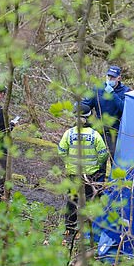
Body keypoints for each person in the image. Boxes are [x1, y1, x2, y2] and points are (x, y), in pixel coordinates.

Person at [57, 104, 109, 245]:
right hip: (90, 175)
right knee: (89, 201)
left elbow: (61, 151)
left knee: (72, 200)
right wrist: (96, 165)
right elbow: (103, 155)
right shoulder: (95, 135)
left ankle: (69, 228)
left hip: (74, 174)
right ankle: (87, 230)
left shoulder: (68, 133)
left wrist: (69, 163)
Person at [81, 65, 130, 161]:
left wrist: (113, 94)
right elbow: (87, 103)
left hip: (115, 132)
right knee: (99, 160)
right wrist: (79, 106)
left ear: (119, 78)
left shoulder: (125, 91)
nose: (110, 79)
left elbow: (124, 109)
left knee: (115, 160)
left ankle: (114, 176)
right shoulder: (98, 89)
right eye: (109, 76)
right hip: (99, 130)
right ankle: (98, 176)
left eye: (113, 77)